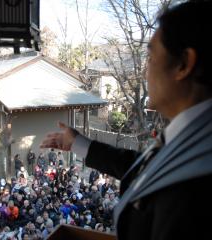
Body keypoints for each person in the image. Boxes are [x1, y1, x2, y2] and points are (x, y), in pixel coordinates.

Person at [41, 1, 212, 240]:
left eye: (151, 58)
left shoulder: (196, 187)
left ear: (184, 64)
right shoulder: (192, 137)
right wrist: (79, 143)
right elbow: (147, 168)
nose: (144, 72)